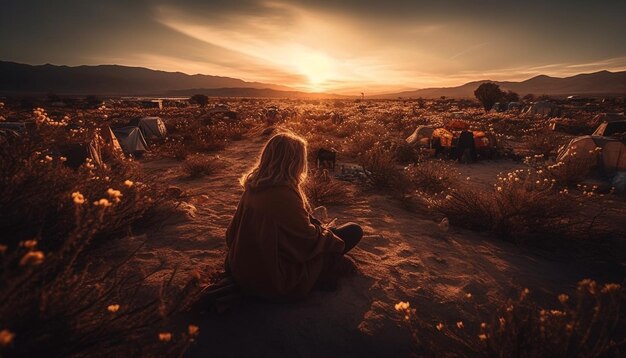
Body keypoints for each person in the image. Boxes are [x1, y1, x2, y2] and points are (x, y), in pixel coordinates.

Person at [224, 131, 363, 301]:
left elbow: (231, 233)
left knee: (326, 231)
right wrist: (328, 235)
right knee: (353, 231)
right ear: (294, 162)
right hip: (272, 277)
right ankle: (315, 277)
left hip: (241, 268)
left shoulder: (254, 186)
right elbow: (306, 241)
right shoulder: (283, 195)